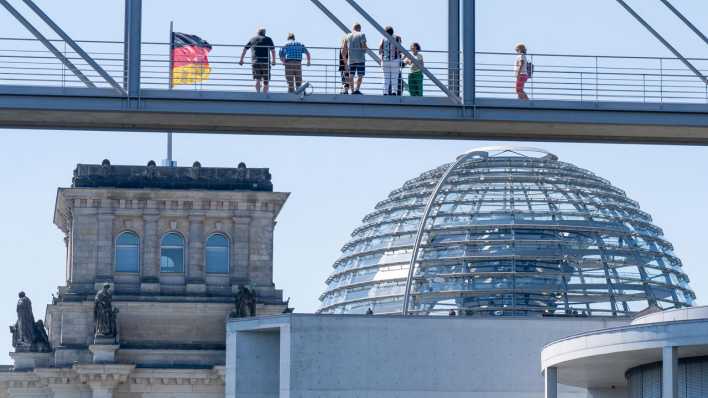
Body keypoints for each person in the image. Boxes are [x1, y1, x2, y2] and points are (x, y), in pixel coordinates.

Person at [239, 27, 276, 93]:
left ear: (257, 32)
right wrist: (273, 61)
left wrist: (241, 60)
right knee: (266, 80)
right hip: (265, 62)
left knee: (257, 79)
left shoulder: (252, 39)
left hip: (255, 62)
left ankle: (258, 93)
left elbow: (245, 49)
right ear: (264, 32)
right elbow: (273, 50)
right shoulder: (268, 39)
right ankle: (265, 95)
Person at [344, 23, 367, 94]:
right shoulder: (361, 34)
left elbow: (344, 49)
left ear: (353, 28)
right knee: (360, 75)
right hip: (360, 58)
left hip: (351, 59)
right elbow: (364, 47)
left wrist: (345, 60)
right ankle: (357, 90)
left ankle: (352, 90)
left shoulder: (347, 36)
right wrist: (365, 49)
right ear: (359, 28)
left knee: (351, 75)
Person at [379, 26, 402, 95]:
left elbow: (380, 50)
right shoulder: (397, 38)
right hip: (395, 60)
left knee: (386, 78)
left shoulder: (383, 39)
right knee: (394, 77)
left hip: (385, 60)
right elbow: (399, 49)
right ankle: (394, 92)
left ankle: (385, 92)